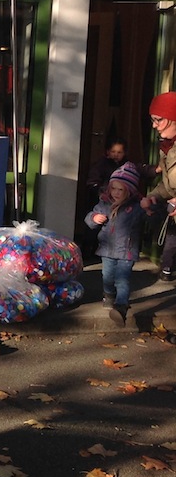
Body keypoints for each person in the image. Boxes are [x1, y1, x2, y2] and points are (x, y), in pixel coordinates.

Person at [85, 162, 148, 326]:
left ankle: (121, 307)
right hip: (107, 249)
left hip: (126, 251)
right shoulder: (104, 203)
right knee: (107, 276)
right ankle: (109, 294)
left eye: (121, 190)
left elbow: (151, 219)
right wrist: (93, 219)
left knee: (122, 279)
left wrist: (149, 209)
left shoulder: (136, 207)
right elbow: (90, 217)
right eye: (114, 188)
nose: (116, 193)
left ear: (129, 191)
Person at [142, 92, 176, 281]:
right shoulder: (168, 147)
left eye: (158, 120)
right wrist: (152, 196)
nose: (154, 125)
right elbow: (168, 183)